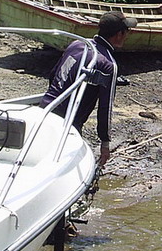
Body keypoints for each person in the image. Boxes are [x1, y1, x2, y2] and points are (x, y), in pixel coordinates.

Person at [40, 11, 137, 167]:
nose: (128, 35)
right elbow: (105, 107)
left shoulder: (78, 44)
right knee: (59, 165)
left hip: (44, 110)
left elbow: (53, 75)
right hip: (68, 123)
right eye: (127, 32)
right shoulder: (108, 64)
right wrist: (105, 143)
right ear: (119, 34)